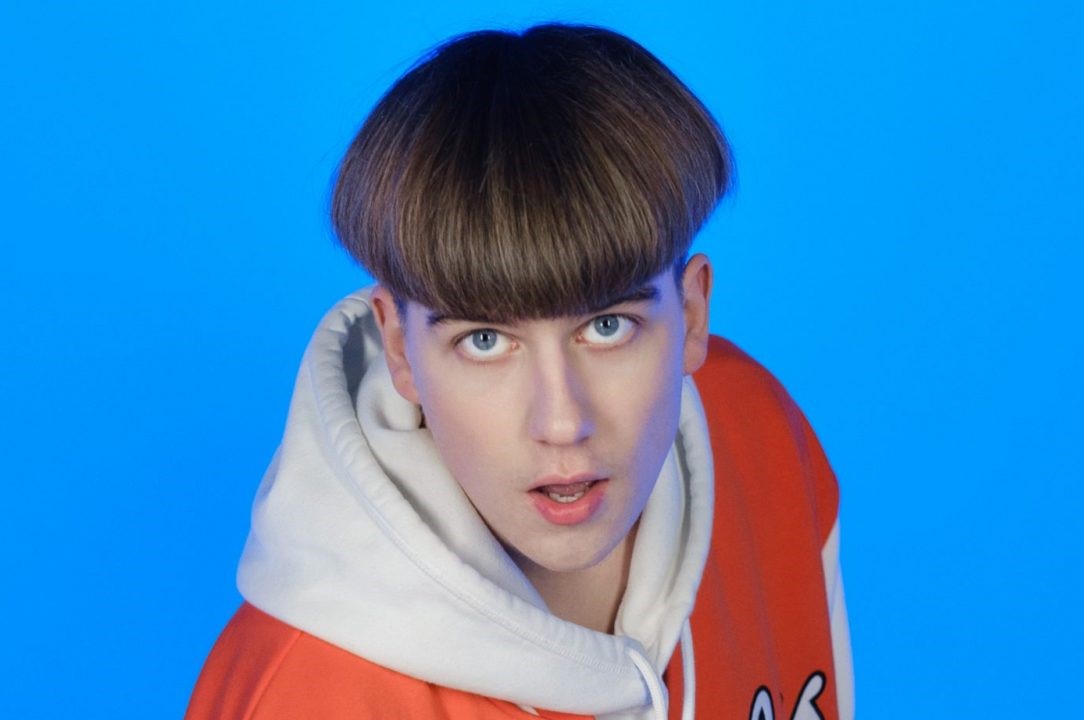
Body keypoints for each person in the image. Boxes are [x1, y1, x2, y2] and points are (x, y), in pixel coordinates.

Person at [186, 22, 852, 720]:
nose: (562, 422)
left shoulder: (757, 435)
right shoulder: (308, 698)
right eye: (485, 341)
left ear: (690, 316)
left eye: (606, 327)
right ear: (400, 347)